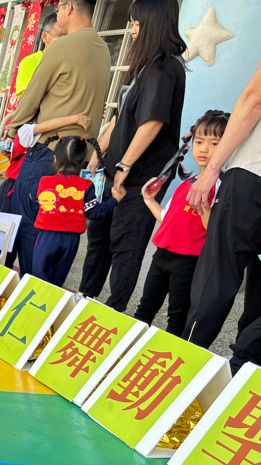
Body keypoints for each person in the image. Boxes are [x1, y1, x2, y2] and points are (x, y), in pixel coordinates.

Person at [77, 0, 186, 311]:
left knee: (126, 245)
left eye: (137, 23)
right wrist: (100, 151)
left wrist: (125, 164)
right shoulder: (142, 65)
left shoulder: (165, 67)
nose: (133, 29)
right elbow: (119, 116)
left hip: (141, 178)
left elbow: (152, 122)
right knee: (99, 238)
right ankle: (84, 300)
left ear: (154, 24)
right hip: (115, 172)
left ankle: (113, 311)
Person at [8, 0, 109, 276]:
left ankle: (31, 292)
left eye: (60, 6)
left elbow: (31, 96)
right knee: (60, 233)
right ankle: (48, 295)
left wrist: (14, 129)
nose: (59, 13)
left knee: (30, 226)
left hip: (48, 152)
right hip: (77, 158)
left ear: (70, 7)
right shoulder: (104, 51)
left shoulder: (61, 46)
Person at [181, 61, 261, 366]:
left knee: (219, 270)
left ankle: (186, 359)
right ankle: (245, 368)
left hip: (253, 171)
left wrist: (213, 169)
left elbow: (254, 99)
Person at [132, 110, 228, 337]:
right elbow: (167, 218)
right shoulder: (187, 183)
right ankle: (128, 348)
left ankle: (169, 354)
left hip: (189, 262)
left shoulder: (222, 185)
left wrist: (204, 205)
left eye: (214, 143)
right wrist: (149, 200)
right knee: (145, 308)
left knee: (177, 317)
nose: (204, 148)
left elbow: (215, 231)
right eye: (199, 141)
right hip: (161, 256)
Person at [0, 110, 90, 269]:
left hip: (22, 189)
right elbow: (44, 126)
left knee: (17, 244)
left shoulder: (40, 139)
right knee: (2, 247)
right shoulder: (28, 130)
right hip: (13, 190)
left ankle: (22, 277)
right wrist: (75, 119)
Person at [31, 137, 123, 286]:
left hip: (47, 236)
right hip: (71, 240)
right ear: (83, 161)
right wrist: (115, 200)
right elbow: (94, 212)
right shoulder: (86, 185)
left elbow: (32, 195)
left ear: (55, 159)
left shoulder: (45, 181)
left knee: (38, 278)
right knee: (57, 281)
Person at [14, 14, 59, 102]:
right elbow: (28, 99)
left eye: (67, 35)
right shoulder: (29, 62)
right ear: (44, 36)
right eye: (59, 35)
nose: (64, 39)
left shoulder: (72, 62)